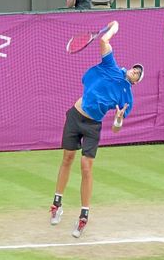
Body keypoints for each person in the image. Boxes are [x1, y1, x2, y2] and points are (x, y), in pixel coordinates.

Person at [50, 20, 144, 238]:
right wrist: (114, 27)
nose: (135, 71)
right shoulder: (111, 65)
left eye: (138, 73)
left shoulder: (126, 97)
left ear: (136, 82)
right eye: (134, 68)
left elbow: (117, 128)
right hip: (75, 115)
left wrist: (119, 120)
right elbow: (103, 40)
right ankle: (57, 204)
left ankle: (83, 216)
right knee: (67, 159)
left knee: (86, 167)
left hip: (93, 126)